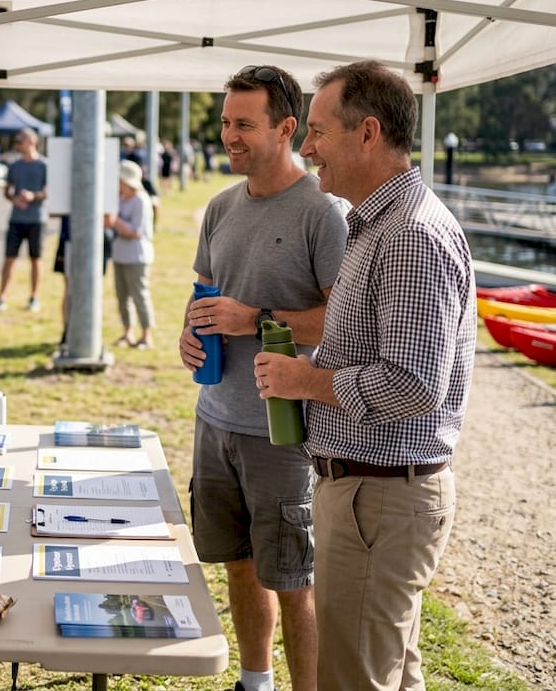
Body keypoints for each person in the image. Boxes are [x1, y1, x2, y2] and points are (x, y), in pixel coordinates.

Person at [254, 60, 475, 690]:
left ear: (368, 132)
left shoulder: (407, 235)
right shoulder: (379, 225)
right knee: (387, 674)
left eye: (319, 130)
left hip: (378, 498)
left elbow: (412, 384)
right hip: (373, 495)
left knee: (353, 680)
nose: (306, 146)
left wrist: (308, 383)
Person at [179, 64, 349, 691]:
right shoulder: (220, 206)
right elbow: (204, 292)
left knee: (293, 579)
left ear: (286, 127)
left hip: (283, 433)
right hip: (215, 419)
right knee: (238, 566)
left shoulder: (322, 214)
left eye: (244, 124)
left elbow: (340, 321)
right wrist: (189, 333)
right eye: (226, 122)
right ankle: (255, 683)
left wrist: (254, 317)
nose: (230, 136)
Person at [0, 127, 48, 312]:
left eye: (19, 141)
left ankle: (34, 298)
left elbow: (49, 191)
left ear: (31, 142)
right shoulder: (15, 166)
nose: (17, 145)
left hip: (37, 219)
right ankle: (1, 297)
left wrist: (33, 196)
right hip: (16, 218)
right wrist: (15, 199)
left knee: (36, 259)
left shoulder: (44, 165)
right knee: (9, 259)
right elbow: (7, 190)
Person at [104, 160, 155, 349]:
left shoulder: (141, 200)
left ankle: (146, 335)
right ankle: (127, 332)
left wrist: (115, 221)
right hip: (120, 254)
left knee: (139, 295)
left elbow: (135, 231)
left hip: (137, 256)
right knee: (122, 296)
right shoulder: (119, 199)